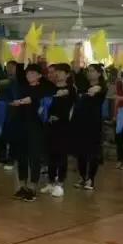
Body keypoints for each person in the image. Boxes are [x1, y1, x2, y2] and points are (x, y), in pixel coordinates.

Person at [11, 63, 54, 202]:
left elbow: (34, 99)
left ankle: (32, 187)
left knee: (34, 157)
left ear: (39, 75)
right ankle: (22, 186)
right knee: (21, 156)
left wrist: (23, 101)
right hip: (21, 125)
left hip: (36, 127)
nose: (30, 75)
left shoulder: (44, 88)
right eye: (28, 73)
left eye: (33, 73)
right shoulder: (23, 87)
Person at [39, 63, 76, 198]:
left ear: (67, 74)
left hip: (64, 126)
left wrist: (59, 116)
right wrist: (47, 116)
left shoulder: (71, 89)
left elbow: (70, 105)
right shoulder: (50, 88)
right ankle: (50, 182)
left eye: (61, 72)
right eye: (56, 72)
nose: (58, 74)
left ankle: (60, 183)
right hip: (50, 125)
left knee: (61, 154)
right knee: (50, 154)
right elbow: (45, 105)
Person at [72, 64, 107, 191]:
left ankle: (91, 179)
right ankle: (82, 177)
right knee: (81, 152)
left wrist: (97, 88)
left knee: (93, 152)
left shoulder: (102, 87)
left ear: (99, 73)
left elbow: (100, 90)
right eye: (88, 70)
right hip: (80, 122)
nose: (89, 73)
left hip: (93, 123)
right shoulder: (83, 85)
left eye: (92, 71)